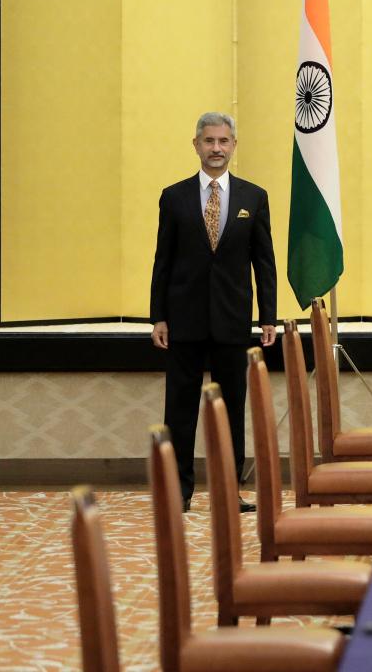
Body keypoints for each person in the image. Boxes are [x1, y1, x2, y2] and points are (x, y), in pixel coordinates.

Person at [150, 112, 277, 512]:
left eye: (223, 141)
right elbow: (163, 261)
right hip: (182, 321)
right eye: (209, 141)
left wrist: (268, 316)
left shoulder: (254, 197)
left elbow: (264, 261)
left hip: (232, 321)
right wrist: (158, 316)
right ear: (196, 145)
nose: (216, 149)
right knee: (180, 410)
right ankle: (178, 492)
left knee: (230, 410)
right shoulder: (174, 196)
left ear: (234, 145)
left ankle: (228, 492)